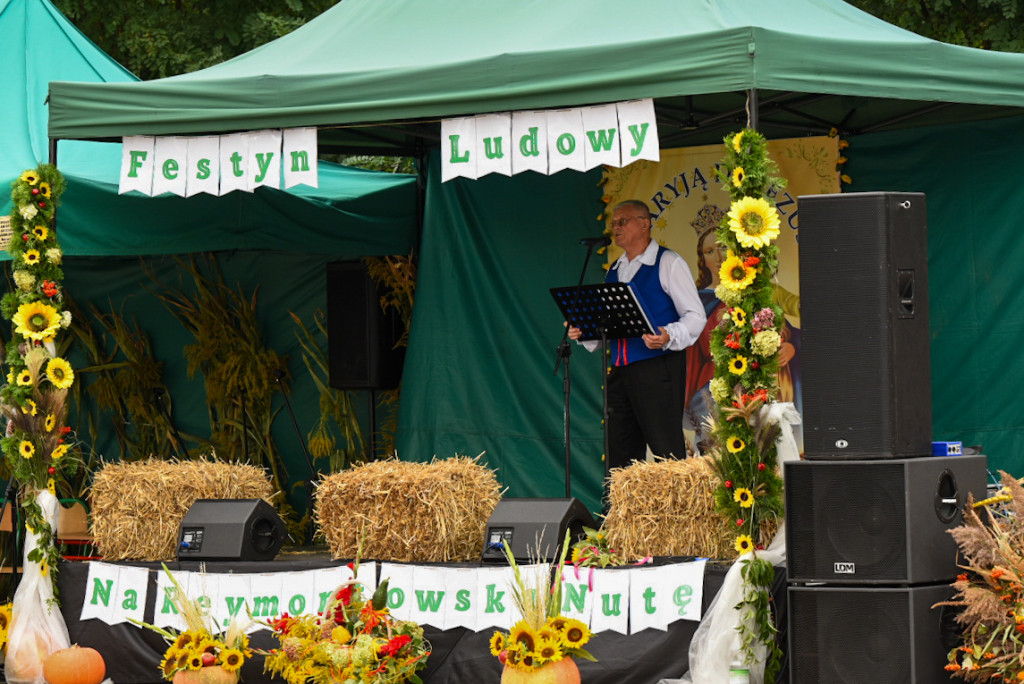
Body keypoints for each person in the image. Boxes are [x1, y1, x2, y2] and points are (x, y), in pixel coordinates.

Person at [568, 199, 706, 470]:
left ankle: (676, 510)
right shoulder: (615, 270)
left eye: (623, 221)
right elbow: (610, 326)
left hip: (658, 368)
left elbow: (695, 315)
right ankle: (620, 510)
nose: (615, 227)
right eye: (614, 223)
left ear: (644, 223)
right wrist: (585, 331)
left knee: (666, 447)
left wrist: (669, 335)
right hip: (620, 371)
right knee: (620, 451)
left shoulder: (668, 262)